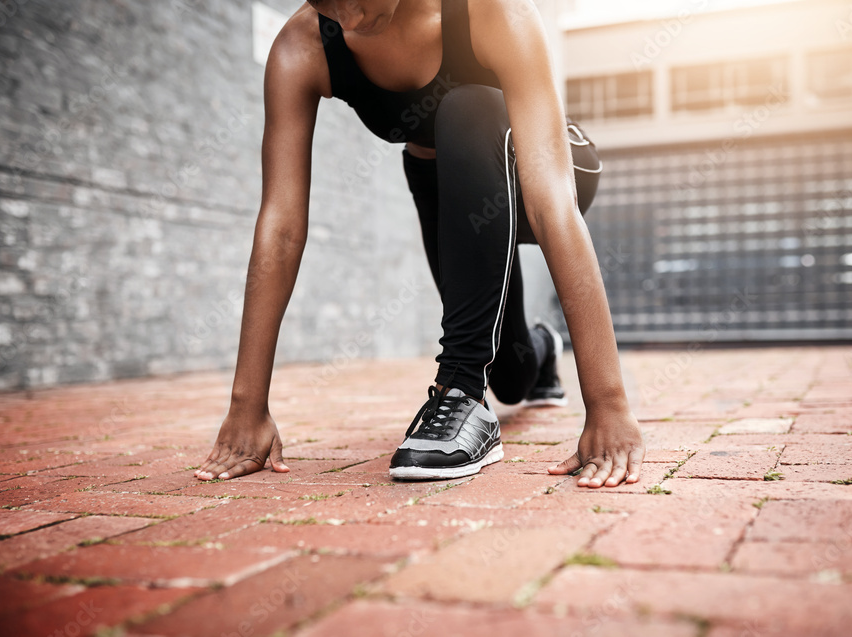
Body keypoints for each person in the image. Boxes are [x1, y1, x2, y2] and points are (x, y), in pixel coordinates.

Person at [195, 0, 645, 488]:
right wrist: (247, 407)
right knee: (510, 378)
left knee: (469, 106)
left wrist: (608, 404)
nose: (349, 17)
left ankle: (459, 394)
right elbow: (281, 226)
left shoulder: (493, 12)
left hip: (548, 166)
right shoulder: (301, 47)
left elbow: (550, 203)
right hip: (445, 184)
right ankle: (540, 349)